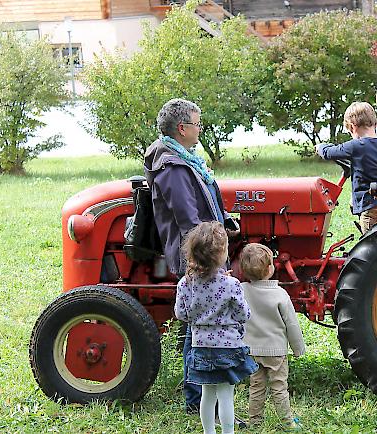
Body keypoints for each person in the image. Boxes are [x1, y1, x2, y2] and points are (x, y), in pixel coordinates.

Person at [144, 98, 235, 413]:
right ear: (182, 129)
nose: (200, 128)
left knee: (199, 324)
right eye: (197, 123)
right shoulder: (172, 165)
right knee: (198, 326)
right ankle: (196, 398)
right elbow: (187, 217)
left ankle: (199, 391)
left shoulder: (186, 159)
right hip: (197, 252)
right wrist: (212, 255)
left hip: (206, 245)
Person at [174, 221, 258, 434]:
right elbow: (243, 314)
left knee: (207, 395)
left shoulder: (185, 283)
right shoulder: (231, 284)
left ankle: (208, 432)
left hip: (200, 347)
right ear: (221, 253)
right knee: (225, 396)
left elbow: (181, 314)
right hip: (227, 348)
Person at [240, 243, 306, 429]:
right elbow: (291, 324)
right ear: (270, 269)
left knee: (256, 387)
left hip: (253, 350)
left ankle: (255, 422)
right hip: (276, 351)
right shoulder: (279, 294)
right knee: (279, 387)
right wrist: (298, 349)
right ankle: (287, 422)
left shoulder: (242, 291)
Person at [316, 102, 377, 231]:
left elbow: (329, 153)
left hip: (369, 205)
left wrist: (320, 147)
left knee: (372, 242)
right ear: (375, 123)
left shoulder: (355, 146)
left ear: (352, 127)